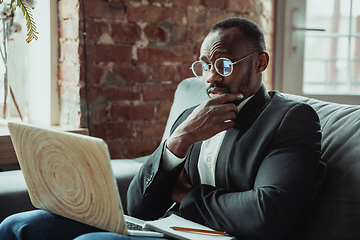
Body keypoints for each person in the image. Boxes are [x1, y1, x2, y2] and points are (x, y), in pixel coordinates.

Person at [0, 17, 321, 240]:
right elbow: (139, 206)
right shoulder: (190, 117)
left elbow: (267, 216)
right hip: (164, 226)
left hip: (218, 238)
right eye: (206, 65)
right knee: (19, 226)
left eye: (223, 64)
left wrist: (188, 195)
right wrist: (179, 141)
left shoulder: (290, 118)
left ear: (260, 62)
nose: (210, 77)